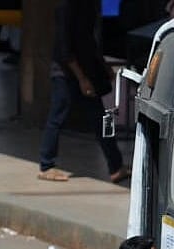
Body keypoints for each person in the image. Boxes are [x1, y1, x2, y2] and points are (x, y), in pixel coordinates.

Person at [37, 0, 128, 183]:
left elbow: (88, 41)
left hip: (84, 70)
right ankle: (46, 165)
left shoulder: (88, 5)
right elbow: (65, 49)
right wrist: (82, 79)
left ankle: (116, 166)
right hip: (66, 73)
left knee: (101, 118)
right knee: (57, 116)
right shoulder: (67, 6)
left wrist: (102, 65)